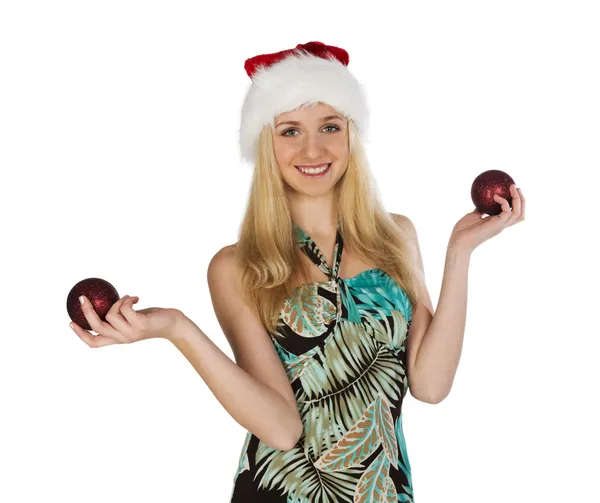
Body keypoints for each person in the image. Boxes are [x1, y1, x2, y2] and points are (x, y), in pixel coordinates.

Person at [70, 41, 525, 502]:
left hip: (381, 490)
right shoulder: (236, 266)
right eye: (290, 131)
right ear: (267, 143)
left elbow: (430, 385)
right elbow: (282, 429)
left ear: (351, 133)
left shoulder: (397, 237)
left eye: (329, 126)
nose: (313, 148)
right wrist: (176, 328)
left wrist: (460, 253)